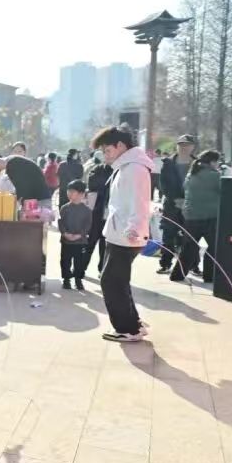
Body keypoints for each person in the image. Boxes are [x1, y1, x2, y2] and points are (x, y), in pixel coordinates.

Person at [92, 125, 152, 343]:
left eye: (107, 150)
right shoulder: (127, 166)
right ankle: (133, 324)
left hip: (127, 235)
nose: (106, 156)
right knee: (118, 280)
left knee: (110, 282)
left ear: (120, 146)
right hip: (120, 232)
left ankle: (128, 329)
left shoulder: (134, 168)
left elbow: (140, 202)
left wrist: (134, 228)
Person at [171, 149, 221, 283]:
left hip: (191, 217)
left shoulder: (191, 174)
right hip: (210, 216)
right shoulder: (215, 176)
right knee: (213, 248)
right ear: (212, 162)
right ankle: (209, 276)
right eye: (217, 162)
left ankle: (177, 275)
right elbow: (225, 191)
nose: (218, 164)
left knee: (189, 247)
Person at [156, 135, 196, 275]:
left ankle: (193, 265)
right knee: (168, 235)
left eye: (187, 145)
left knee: (191, 236)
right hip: (171, 205)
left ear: (193, 147)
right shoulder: (168, 163)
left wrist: (187, 200)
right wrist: (175, 200)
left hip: (191, 206)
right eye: (181, 145)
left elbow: (200, 186)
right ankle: (165, 263)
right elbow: (163, 184)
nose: (184, 148)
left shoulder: (198, 164)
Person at [58, 181, 92, 291]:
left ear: (82, 194)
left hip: (80, 241)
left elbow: (88, 225)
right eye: (68, 191)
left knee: (79, 262)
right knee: (65, 261)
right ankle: (66, 280)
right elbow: (60, 223)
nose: (69, 193)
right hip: (66, 241)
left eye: (73, 191)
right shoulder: (64, 208)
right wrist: (65, 233)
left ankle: (78, 280)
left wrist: (80, 235)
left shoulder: (87, 210)